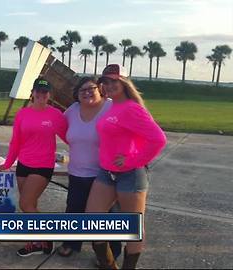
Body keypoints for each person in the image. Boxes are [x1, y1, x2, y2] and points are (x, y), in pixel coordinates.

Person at [86, 64, 167, 269]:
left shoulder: (132, 108)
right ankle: (108, 264)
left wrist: (132, 160)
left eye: (114, 80)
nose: (109, 85)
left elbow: (158, 139)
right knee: (93, 219)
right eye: (105, 81)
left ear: (124, 82)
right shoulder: (112, 105)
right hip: (106, 172)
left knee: (132, 228)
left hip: (130, 175)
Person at [0, 77, 67, 257]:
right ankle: (36, 242)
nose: (41, 95)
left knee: (25, 203)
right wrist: (7, 163)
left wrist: (88, 153)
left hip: (42, 166)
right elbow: (16, 142)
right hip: (24, 165)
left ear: (49, 95)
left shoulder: (55, 115)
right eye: (38, 91)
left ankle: (47, 236)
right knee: (31, 205)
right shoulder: (22, 114)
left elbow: (71, 138)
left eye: (45, 92)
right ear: (32, 93)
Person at [57, 77, 122, 260]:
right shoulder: (72, 110)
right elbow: (63, 130)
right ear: (77, 95)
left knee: (108, 215)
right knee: (74, 209)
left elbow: (129, 131)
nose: (86, 92)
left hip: (105, 174)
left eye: (90, 88)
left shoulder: (112, 107)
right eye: (81, 90)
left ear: (100, 89)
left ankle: (112, 250)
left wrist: (128, 155)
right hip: (77, 172)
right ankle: (71, 243)